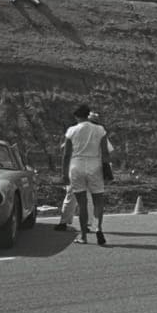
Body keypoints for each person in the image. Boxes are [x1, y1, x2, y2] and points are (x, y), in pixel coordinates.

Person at [61, 104, 110, 244]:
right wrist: (107, 170)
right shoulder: (100, 129)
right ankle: (97, 228)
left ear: (76, 116)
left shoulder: (71, 130)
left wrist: (64, 174)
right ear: (88, 115)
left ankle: (83, 236)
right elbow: (105, 152)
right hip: (95, 165)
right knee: (98, 202)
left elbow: (66, 154)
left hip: (76, 165)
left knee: (82, 204)